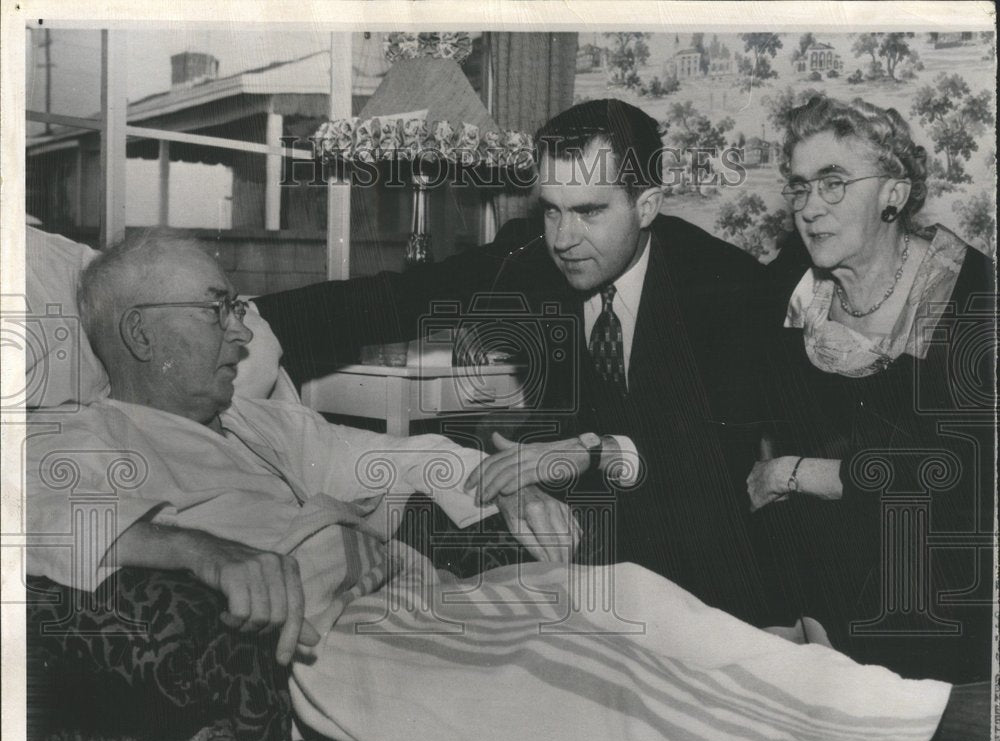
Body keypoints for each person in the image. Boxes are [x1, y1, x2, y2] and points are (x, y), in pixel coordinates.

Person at [25, 231, 985, 741]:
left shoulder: (255, 419)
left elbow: (380, 461)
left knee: (628, 596)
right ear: (144, 335)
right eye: (220, 307)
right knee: (584, 686)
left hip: (419, 593)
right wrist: (204, 549)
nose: (245, 329)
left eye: (240, 306)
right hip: (349, 640)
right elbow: (33, 514)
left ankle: (916, 715)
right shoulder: (89, 432)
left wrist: (499, 478)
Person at [254, 100, 786, 628]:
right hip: (566, 536)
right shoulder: (531, 261)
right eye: (551, 209)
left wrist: (595, 452)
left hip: (694, 550)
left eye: (589, 211)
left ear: (646, 205)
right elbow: (401, 297)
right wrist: (248, 318)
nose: (563, 239)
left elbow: (717, 456)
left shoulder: (726, 286)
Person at [748, 95, 995, 684]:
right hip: (826, 563)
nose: (810, 207)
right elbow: (752, 395)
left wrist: (793, 471)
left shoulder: (968, 296)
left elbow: (954, 472)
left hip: (935, 576)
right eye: (801, 187)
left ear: (894, 193)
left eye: (834, 184)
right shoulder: (797, 279)